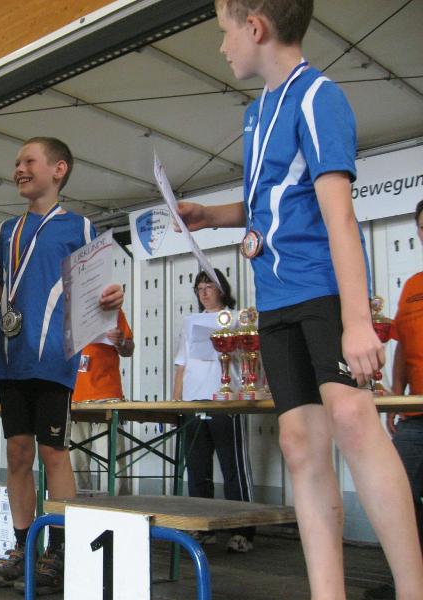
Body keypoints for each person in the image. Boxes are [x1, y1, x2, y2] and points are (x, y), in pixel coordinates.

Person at [176, 2, 423, 598]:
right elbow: (271, 199)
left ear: (255, 28)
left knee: (354, 422)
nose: (222, 47)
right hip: (276, 301)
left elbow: (339, 216)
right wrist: (214, 215)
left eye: (225, 32)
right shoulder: (256, 113)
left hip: (323, 291)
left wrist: (357, 320)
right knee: (298, 445)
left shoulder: (318, 97)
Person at [0, 137, 124, 594]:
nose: (18, 168)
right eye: (17, 162)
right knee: (17, 452)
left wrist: (113, 297)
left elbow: (99, 292)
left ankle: (61, 551)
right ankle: (23, 546)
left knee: (53, 452)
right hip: (10, 356)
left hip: (52, 360)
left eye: (29, 160)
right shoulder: (7, 230)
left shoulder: (80, 227)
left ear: (58, 169)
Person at [364, 200, 423, 600]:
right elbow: (401, 347)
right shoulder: (413, 286)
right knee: (398, 496)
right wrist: (397, 399)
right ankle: (409, 582)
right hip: (415, 416)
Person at [173, 268, 256, 553]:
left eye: (209, 286)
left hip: (225, 400)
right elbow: (181, 364)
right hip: (193, 401)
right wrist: (176, 401)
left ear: (221, 289)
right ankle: (203, 528)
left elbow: (249, 356)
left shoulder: (236, 318)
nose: (204, 292)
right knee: (197, 469)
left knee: (233, 467)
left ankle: (242, 531)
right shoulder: (190, 322)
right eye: (199, 288)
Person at [71, 309, 134, 495]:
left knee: (113, 458)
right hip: (73, 396)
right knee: (75, 463)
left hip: (106, 394)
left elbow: (129, 349)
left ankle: (119, 508)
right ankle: (78, 507)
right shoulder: (65, 309)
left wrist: (120, 342)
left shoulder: (111, 309)